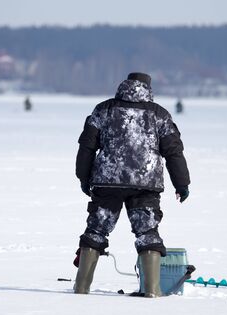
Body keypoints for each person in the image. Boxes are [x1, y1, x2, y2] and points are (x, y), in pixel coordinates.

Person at [74, 72, 190, 297]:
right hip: (145, 184)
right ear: (148, 89)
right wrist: (182, 183)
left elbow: (87, 146)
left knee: (96, 230)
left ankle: (81, 288)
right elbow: (173, 152)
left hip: (108, 182)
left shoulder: (103, 109)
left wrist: (83, 177)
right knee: (147, 233)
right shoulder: (160, 115)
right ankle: (152, 291)